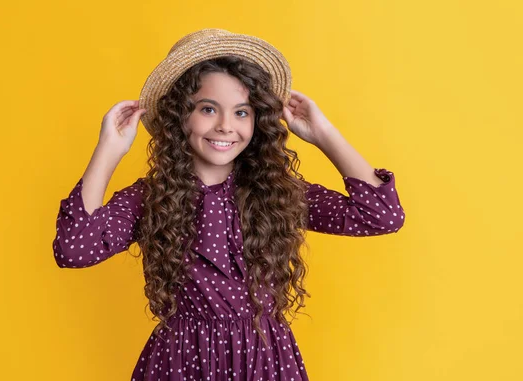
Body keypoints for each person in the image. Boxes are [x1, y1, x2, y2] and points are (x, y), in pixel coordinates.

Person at [52, 28, 405, 381]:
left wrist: (325, 134)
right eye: (208, 109)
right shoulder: (151, 197)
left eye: (241, 112)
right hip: (181, 363)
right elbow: (72, 249)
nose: (225, 126)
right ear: (180, 116)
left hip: (265, 363)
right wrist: (108, 152)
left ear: (258, 120)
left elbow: (382, 215)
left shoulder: (275, 192)